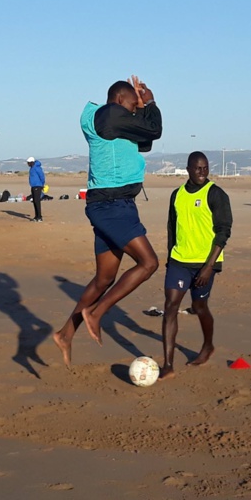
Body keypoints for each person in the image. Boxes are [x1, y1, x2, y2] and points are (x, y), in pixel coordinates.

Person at [53, 76, 162, 366]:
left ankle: (65, 333)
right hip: (113, 206)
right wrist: (149, 101)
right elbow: (156, 129)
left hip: (109, 204)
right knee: (149, 263)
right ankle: (97, 313)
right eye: (130, 105)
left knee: (104, 278)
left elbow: (147, 141)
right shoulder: (111, 114)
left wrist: (139, 108)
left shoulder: (116, 122)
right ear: (118, 101)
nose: (132, 110)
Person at [160, 151, 232, 380]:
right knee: (171, 306)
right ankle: (168, 364)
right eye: (197, 168)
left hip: (205, 263)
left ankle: (208, 345)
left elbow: (223, 231)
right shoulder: (177, 195)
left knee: (199, 307)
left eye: (205, 168)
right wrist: (170, 258)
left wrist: (209, 266)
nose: (202, 172)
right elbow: (172, 228)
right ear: (188, 169)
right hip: (179, 260)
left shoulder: (216, 194)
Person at [27, 156, 46, 222]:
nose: (28, 164)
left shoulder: (37, 168)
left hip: (38, 186)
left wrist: (42, 184)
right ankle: (36, 216)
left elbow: (42, 176)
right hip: (33, 186)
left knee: (37, 202)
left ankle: (39, 217)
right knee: (34, 201)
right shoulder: (32, 168)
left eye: (29, 163)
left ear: (32, 162)